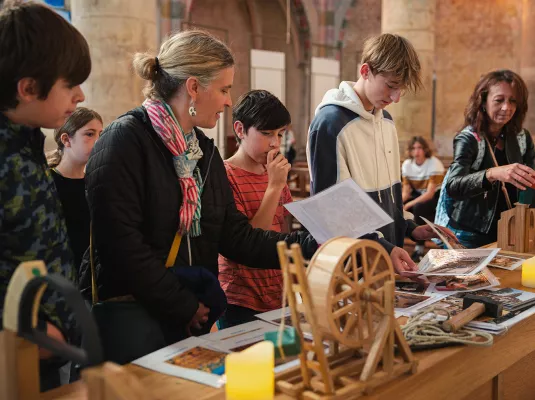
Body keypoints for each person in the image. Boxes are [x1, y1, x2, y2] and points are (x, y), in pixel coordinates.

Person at [79, 30, 317, 364]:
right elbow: (122, 248)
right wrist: (184, 304)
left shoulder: (203, 151)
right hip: (141, 316)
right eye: (223, 89)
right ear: (193, 87)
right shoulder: (123, 141)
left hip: (189, 319)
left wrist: (312, 243)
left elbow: (236, 237)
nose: (229, 102)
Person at [307, 33, 454, 275]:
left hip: (387, 256)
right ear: (366, 71)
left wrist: (409, 226)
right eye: (391, 86)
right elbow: (332, 209)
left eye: (401, 90)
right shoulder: (330, 123)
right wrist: (381, 245)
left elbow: (391, 192)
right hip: (353, 262)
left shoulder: (386, 121)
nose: (395, 98)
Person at [0, 2, 90, 390]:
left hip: (44, 354)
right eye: (70, 84)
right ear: (29, 88)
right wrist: (31, 326)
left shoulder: (27, 147)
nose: (81, 95)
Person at [217, 90, 292, 328]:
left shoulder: (274, 173)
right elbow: (249, 244)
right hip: (240, 299)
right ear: (240, 130)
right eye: (266, 133)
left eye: (280, 134)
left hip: (280, 294)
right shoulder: (224, 175)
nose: (275, 143)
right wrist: (275, 186)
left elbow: (284, 232)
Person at [444, 70, 535, 248]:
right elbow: (453, 186)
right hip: (471, 232)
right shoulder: (469, 138)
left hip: (511, 229)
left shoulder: (522, 137)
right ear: (483, 102)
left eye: (513, 101)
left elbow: (531, 181)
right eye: (499, 100)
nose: (506, 107)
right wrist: (492, 173)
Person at [47, 108, 103, 271]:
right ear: (66, 139)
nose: (98, 140)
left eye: (101, 133)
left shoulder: (95, 182)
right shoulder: (48, 182)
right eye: (90, 134)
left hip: (90, 279)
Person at [402, 136, 445, 260]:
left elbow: (430, 193)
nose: (417, 151)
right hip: (417, 195)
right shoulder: (407, 165)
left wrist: (409, 205)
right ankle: (397, 246)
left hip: (436, 198)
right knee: (398, 207)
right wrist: (398, 203)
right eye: (413, 148)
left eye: (420, 148)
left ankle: (419, 249)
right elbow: (406, 192)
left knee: (418, 207)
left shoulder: (433, 163)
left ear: (425, 150)